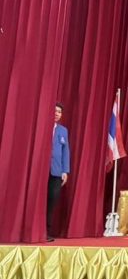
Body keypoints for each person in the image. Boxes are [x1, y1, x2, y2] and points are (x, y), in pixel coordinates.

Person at [47, 103, 71, 242]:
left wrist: (65, 171)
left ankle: (46, 230)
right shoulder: (43, 126)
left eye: (59, 112)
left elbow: (65, 151)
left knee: (52, 200)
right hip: (42, 171)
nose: (57, 114)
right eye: (55, 111)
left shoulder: (63, 130)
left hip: (56, 171)